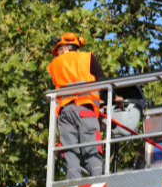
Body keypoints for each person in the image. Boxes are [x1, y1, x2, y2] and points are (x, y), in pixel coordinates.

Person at [47, 32, 118, 179]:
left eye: (58, 50)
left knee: (69, 147)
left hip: (64, 111)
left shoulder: (54, 65)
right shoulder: (86, 57)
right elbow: (101, 80)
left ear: (63, 48)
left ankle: (73, 180)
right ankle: (98, 178)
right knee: (91, 144)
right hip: (84, 108)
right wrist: (114, 97)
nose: (57, 53)